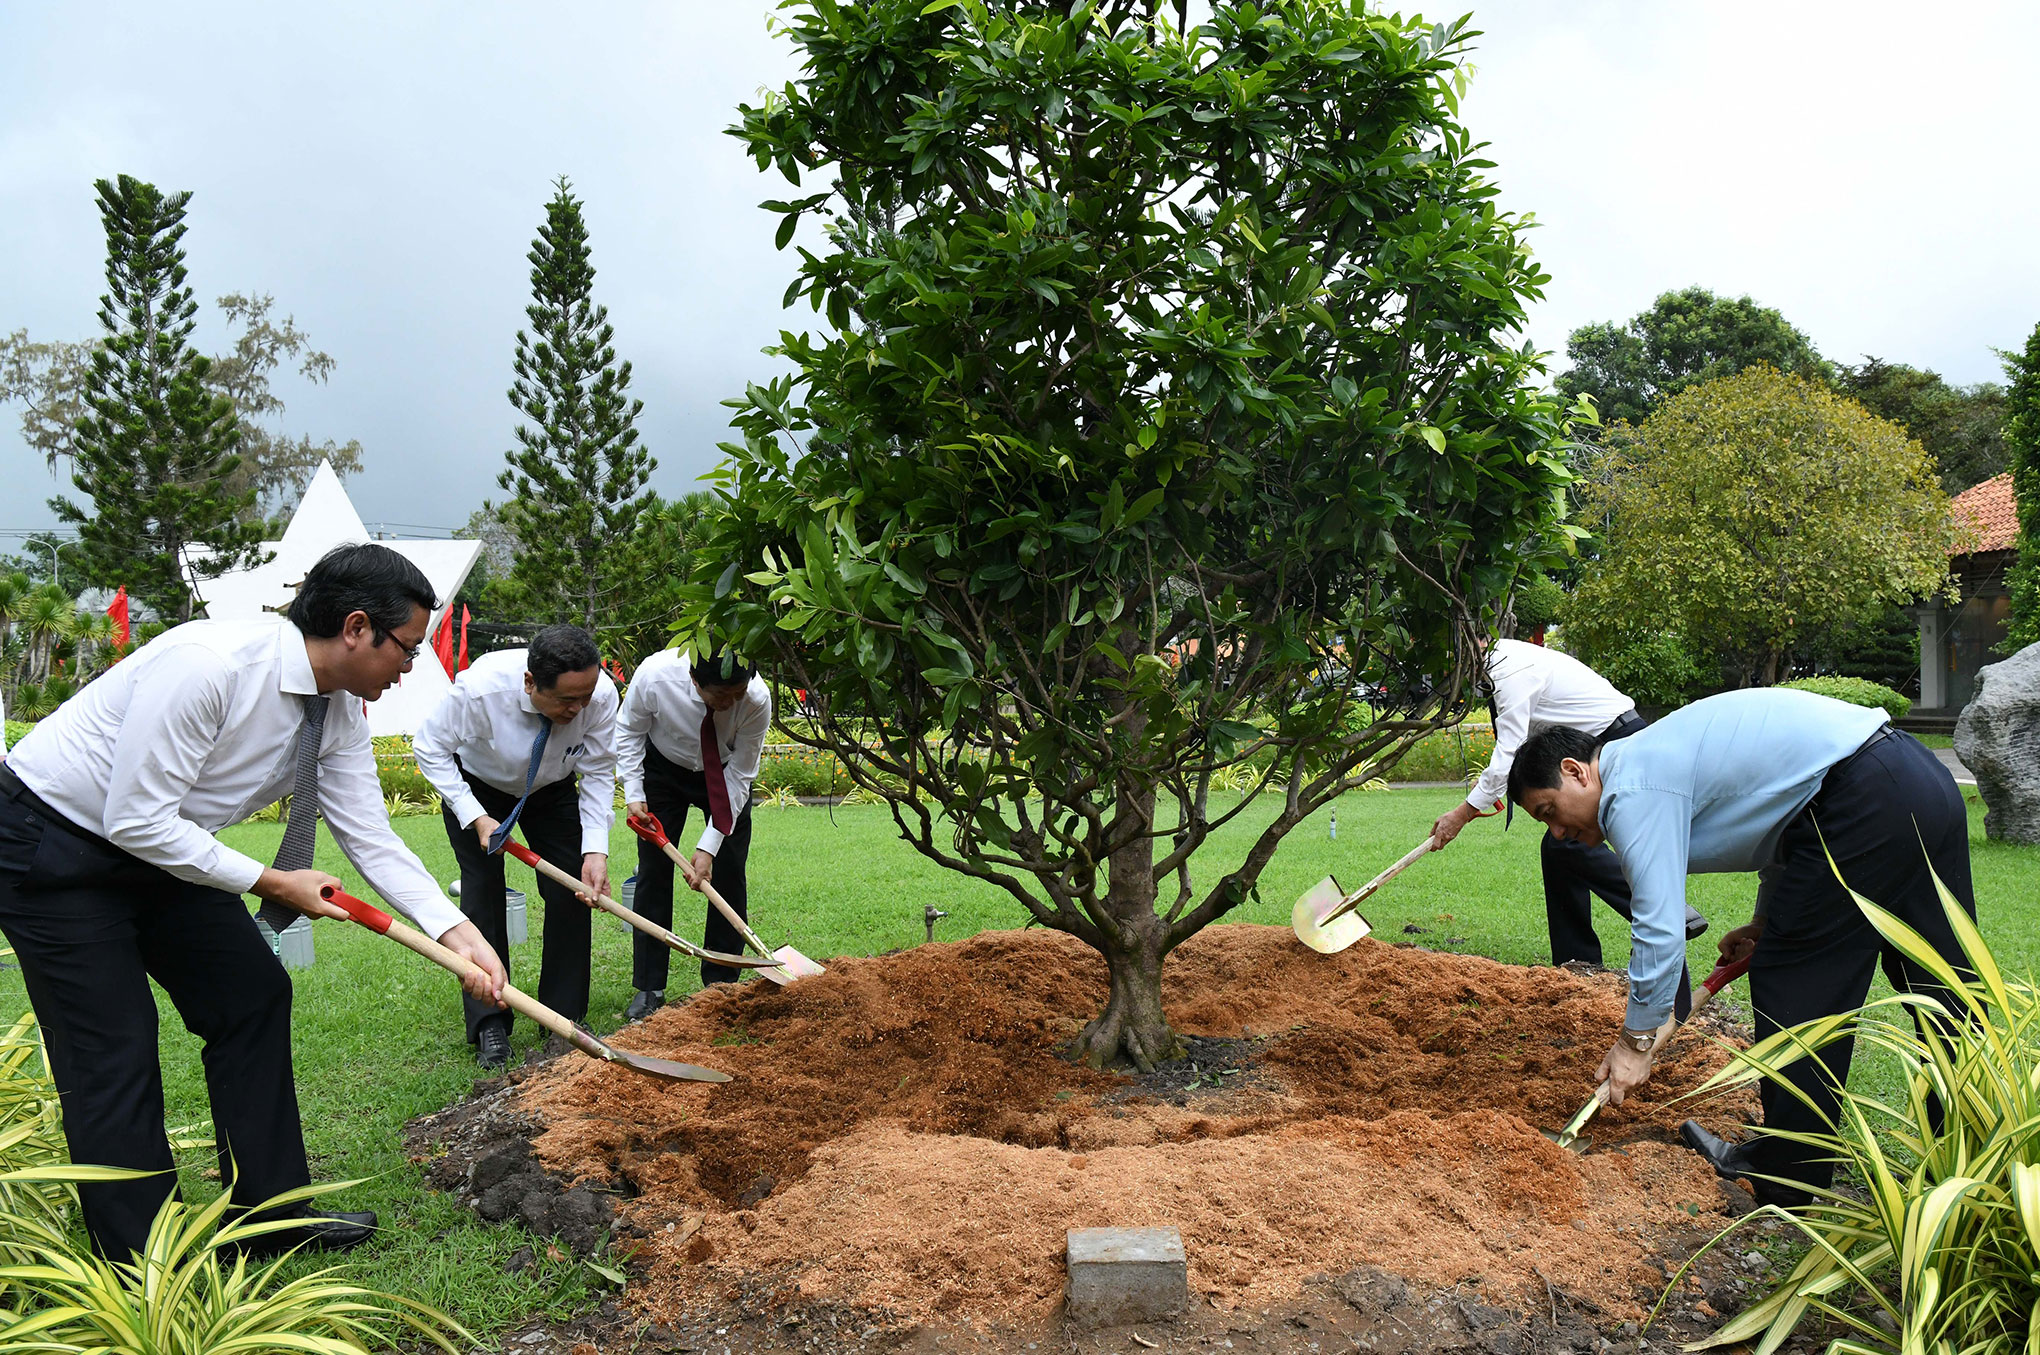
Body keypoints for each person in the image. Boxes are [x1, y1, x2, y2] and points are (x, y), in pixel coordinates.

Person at [0, 543, 507, 1262]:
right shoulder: (211, 666)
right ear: (356, 628)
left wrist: (458, 931)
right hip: (54, 843)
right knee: (112, 1045)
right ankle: (147, 1262)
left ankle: (270, 1218)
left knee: (251, 995)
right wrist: (270, 881)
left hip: (167, 842)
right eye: (407, 647)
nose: (410, 666)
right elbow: (133, 819)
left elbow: (370, 833)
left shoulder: (337, 712)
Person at [1505, 687, 1976, 1206]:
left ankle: (1788, 1172)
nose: (1557, 831)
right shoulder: (1651, 759)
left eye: (1549, 810)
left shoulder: (1630, 788)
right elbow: (1791, 814)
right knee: (1941, 981)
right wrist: (1764, 919)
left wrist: (1635, 1042)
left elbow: (1658, 926)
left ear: (1576, 771)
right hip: (1915, 778)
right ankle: (1971, 1149)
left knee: (1795, 983)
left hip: (1862, 799)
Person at [1428, 639, 1708, 1016]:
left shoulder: (1508, 668)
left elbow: (1509, 751)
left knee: (1582, 848)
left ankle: (1665, 917)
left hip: (1614, 744)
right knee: (1559, 850)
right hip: (1589, 746)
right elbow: (1525, 753)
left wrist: (1463, 812)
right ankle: (1576, 969)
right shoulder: (1503, 666)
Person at [413, 624, 617, 1068]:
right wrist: (474, 814)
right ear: (530, 683)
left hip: (552, 788)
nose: (579, 708)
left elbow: (599, 769)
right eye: (566, 700)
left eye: (586, 696)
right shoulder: (479, 690)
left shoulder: (599, 696)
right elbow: (429, 748)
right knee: (483, 894)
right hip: (478, 787)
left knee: (572, 892)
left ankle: (563, 1018)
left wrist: (595, 850)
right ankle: (490, 1023)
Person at [615, 648, 770, 1018]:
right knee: (653, 872)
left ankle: (721, 984)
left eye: (737, 695)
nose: (731, 703)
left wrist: (710, 845)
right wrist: (635, 792)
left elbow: (742, 776)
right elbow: (629, 730)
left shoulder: (757, 698)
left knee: (730, 871)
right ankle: (649, 987)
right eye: (721, 696)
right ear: (695, 681)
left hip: (725, 772)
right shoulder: (655, 676)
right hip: (664, 768)